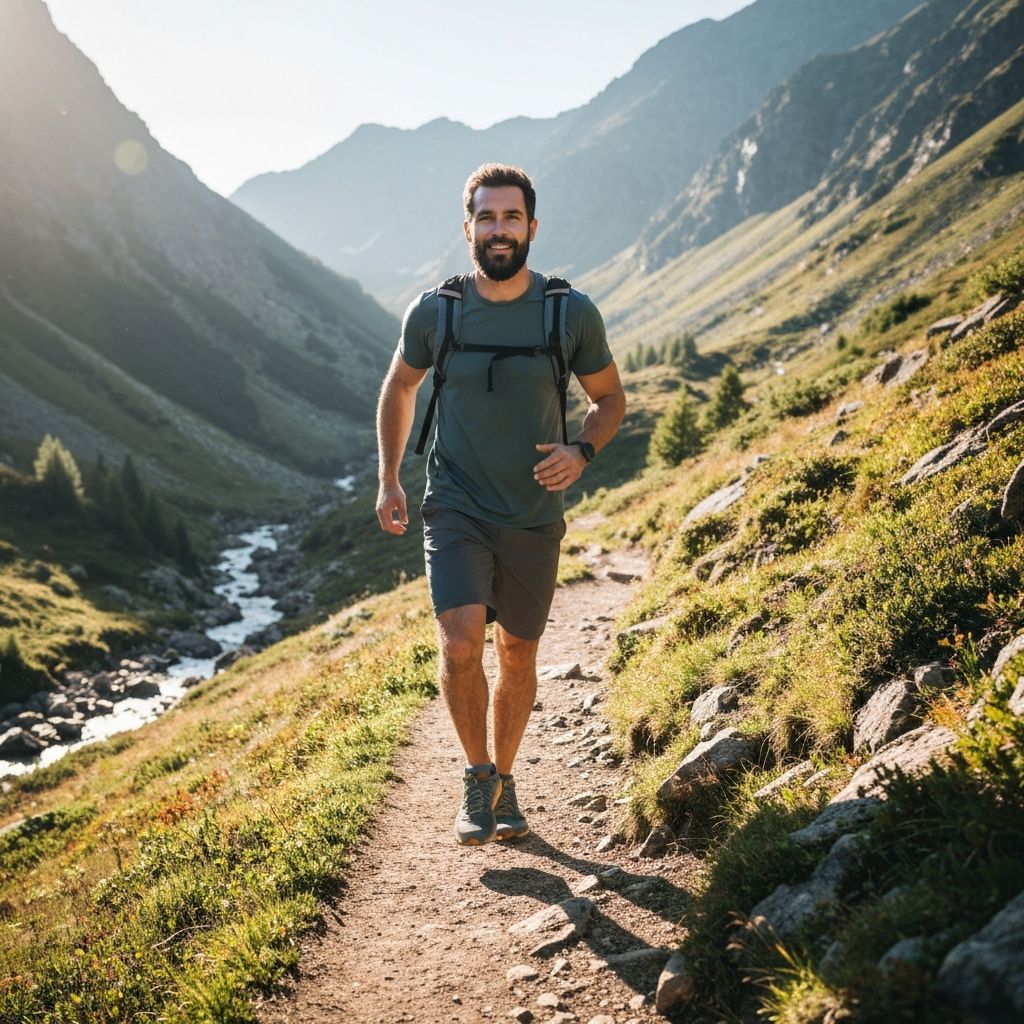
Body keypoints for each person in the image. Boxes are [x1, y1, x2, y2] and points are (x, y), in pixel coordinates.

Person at [375, 163, 625, 846]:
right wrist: (391, 478)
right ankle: (477, 774)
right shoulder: (437, 312)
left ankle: (507, 780)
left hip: (533, 514)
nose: (499, 229)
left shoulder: (567, 313)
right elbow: (399, 387)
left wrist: (582, 452)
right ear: (468, 229)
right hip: (454, 503)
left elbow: (610, 399)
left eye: (511, 218)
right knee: (460, 645)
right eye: (486, 218)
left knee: (517, 652)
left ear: (532, 227)